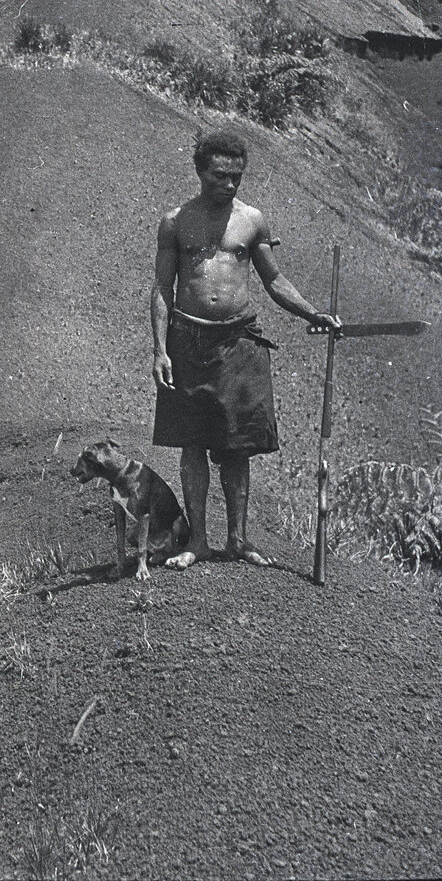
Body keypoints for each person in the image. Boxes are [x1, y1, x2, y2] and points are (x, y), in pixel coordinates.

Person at [151, 128, 340, 568]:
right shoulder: (175, 222)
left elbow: (274, 280)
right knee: (192, 442)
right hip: (188, 341)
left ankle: (237, 538)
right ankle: (197, 541)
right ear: (200, 172)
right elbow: (162, 286)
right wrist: (159, 349)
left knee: (236, 445)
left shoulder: (252, 220)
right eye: (220, 176)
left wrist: (313, 314)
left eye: (236, 176)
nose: (230, 185)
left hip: (239, 341)